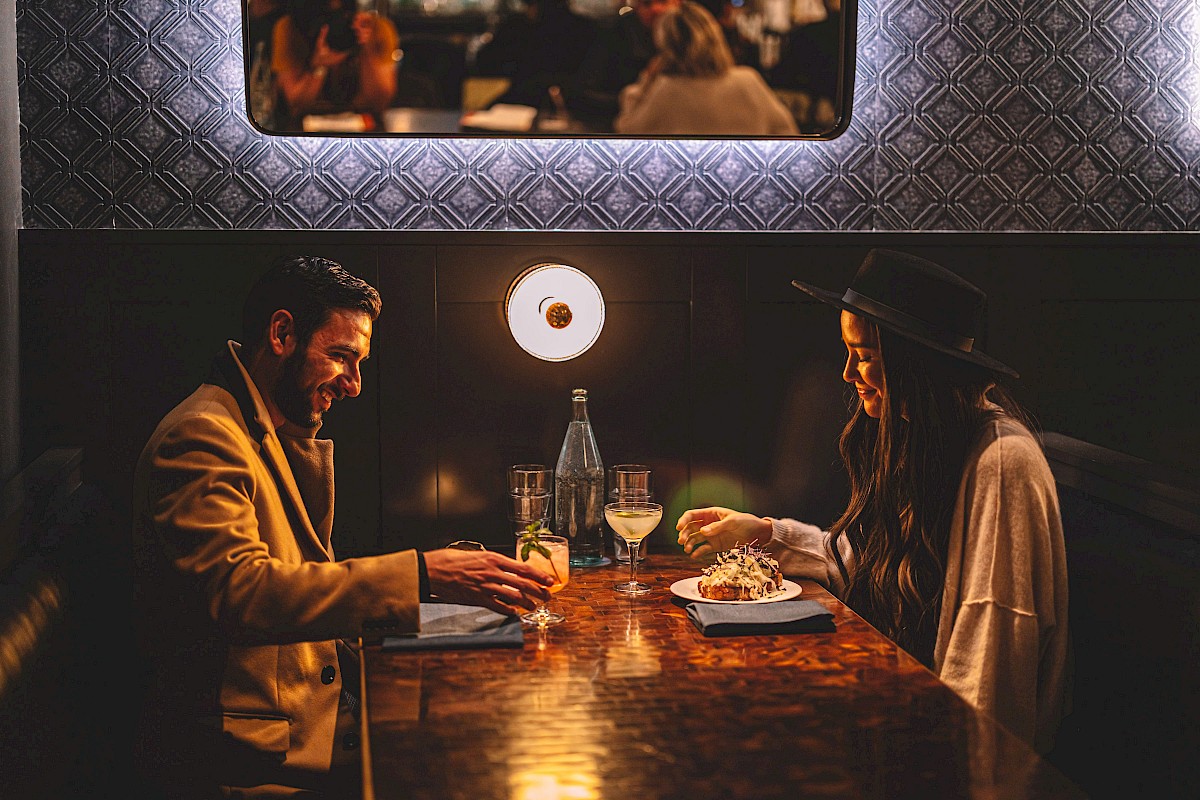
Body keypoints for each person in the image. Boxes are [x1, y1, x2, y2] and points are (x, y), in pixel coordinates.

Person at [131, 256, 553, 798]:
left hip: (313, 724)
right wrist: (422, 575)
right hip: (253, 763)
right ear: (282, 333)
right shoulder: (201, 436)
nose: (353, 385)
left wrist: (445, 622)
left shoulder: (252, 422)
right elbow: (241, 593)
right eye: (340, 357)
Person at [676, 248, 1070, 754]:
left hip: (963, 750)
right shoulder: (928, 438)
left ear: (916, 366)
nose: (848, 373)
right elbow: (879, 565)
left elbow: (990, 662)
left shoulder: (1001, 461)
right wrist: (767, 535)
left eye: (864, 356)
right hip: (916, 715)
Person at [613, 2, 799, 136]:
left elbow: (627, 131)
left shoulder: (667, 90)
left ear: (666, 47)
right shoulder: (748, 81)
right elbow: (788, 133)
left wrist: (646, 79)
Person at [270, 0, 399, 130]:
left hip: (364, 134)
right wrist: (319, 66)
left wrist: (367, 47)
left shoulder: (375, 28)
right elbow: (295, 105)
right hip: (305, 135)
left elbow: (380, 102)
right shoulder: (290, 28)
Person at [567, 0, 681, 129]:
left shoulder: (692, 41)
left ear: (679, 3)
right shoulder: (615, 34)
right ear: (637, 7)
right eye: (647, 4)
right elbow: (584, 93)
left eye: (663, 2)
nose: (656, 9)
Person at [472, 0, 598, 110]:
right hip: (574, 105)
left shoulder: (516, 27)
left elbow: (483, 64)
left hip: (521, 103)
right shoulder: (585, 28)